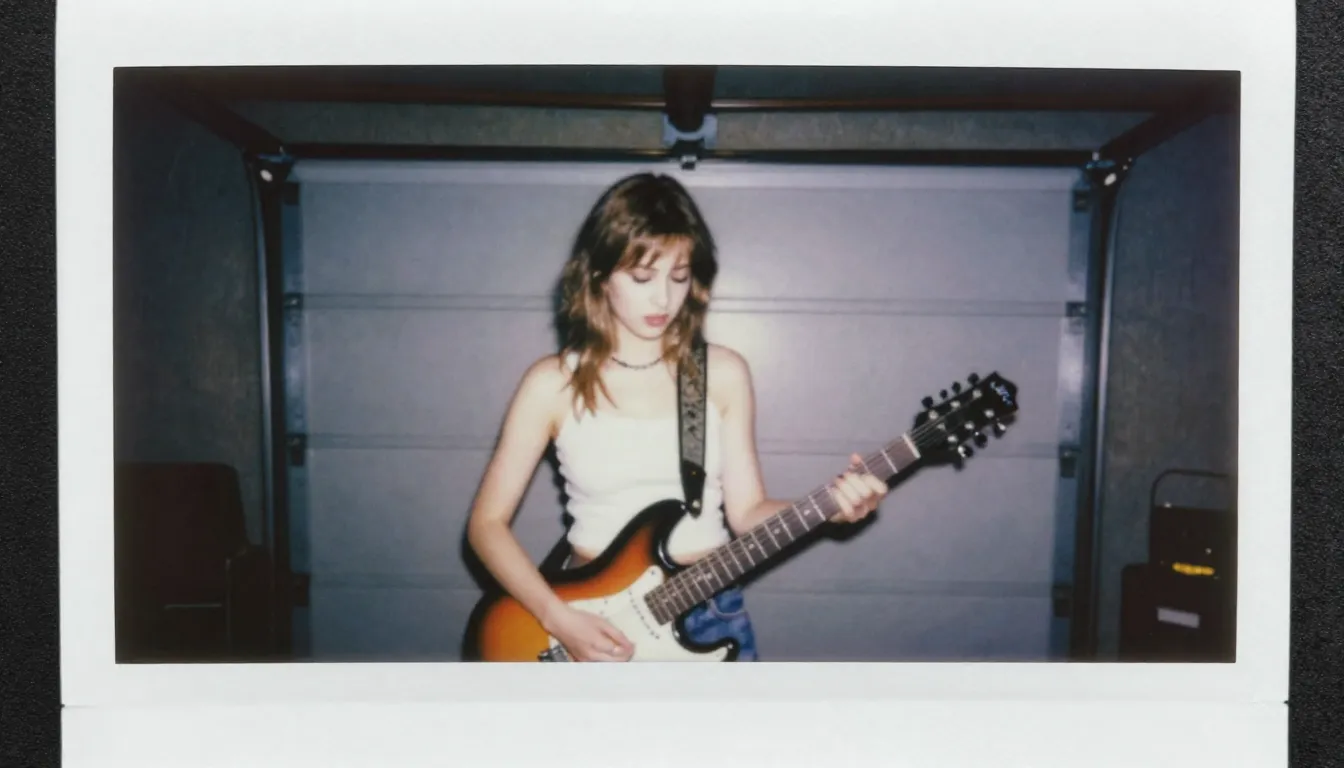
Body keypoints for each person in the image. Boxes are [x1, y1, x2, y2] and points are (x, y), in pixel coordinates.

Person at [466, 172, 889, 662]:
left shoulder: (721, 374)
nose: (663, 299)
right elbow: (486, 524)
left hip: (711, 612)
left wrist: (830, 509)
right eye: (642, 277)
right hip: (588, 617)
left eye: (680, 276)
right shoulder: (552, 383)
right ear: (600, 276)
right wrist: (555, 616)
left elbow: (748, 512)